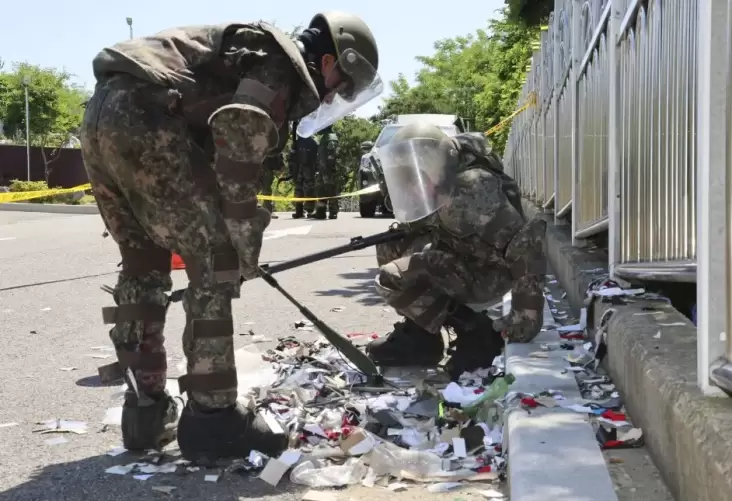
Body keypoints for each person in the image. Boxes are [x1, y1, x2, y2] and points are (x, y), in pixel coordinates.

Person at [80, 12, 382, 462]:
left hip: (101, 118)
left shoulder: (247, 52)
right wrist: (240, 241)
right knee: (216, 263)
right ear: (328, 61)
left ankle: (145, 415)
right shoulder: (279, 63)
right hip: (147, 119)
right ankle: (214, 422)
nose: (336, 93)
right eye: (343, 82)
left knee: (142, 267)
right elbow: (239, 130)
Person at [366, 124, 546, 380]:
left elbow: (525, 244)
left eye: (414, 175)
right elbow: (420, 225)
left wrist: (526, 317)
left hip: (489, 274)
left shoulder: (470, 191)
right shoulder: (439, 184)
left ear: (433, 168)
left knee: (394, 275)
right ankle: (422, 338)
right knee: (390, 248)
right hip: (463, 255)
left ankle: (476, 332)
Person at [313, 125, 340, 219]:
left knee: (330, 189)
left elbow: (330, 156)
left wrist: (327, 170)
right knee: (321, 190)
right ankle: (321, 212)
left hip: (328, 170)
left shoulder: (330, 137)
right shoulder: (325, 137)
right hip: (322, 169)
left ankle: (333, 212)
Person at [292, 133, 319, 218]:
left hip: (310, 168)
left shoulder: (313, 142)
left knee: (310, 189)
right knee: (298, 189)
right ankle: (299, 211)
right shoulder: (297, 142)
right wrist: (292, 169)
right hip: (299, 167)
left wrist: (317, 169)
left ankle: (310, 210)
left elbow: (317, 157)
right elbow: (292, 156)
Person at [259, 152, 285, 219]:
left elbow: (278, 151)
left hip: (266, 168)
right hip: (256, 167)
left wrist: (281, 165)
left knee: (266, 191)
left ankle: (267, 211)